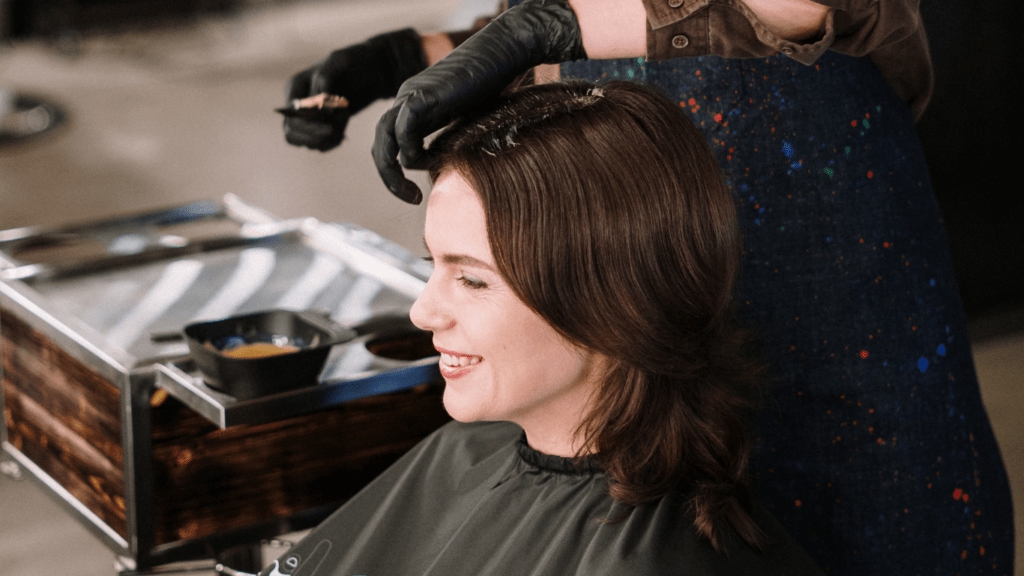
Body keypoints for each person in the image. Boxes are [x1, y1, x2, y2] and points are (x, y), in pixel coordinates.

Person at [281, 1, 1016, 573]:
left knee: (851, 523)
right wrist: (417, 56)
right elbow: (588, 19)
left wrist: (549, 27)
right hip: (616, 249)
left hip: (817, 243)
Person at [258, 79, 824, 576]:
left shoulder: (652, 560)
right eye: (435, 265)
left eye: (473, 280)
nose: (423, 313)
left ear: (612, 300)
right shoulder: (465, 453)